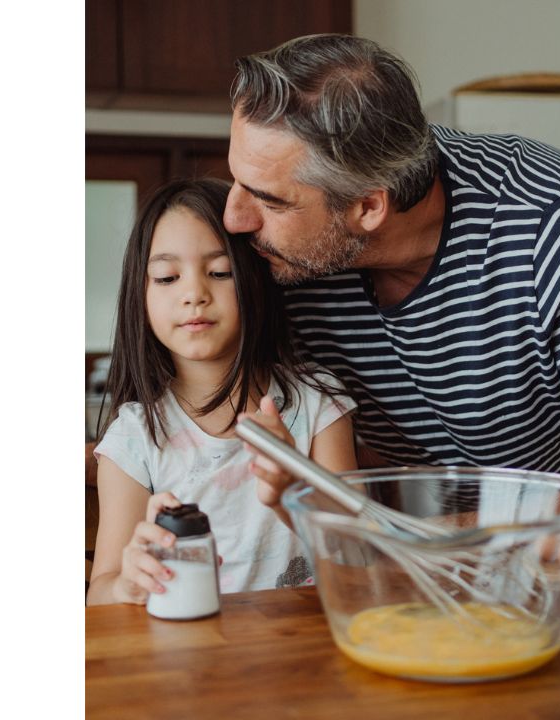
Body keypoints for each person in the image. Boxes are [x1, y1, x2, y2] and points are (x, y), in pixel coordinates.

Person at [223, 34, 560, 476]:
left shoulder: (556, 233)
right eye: (235, 179)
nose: (233, 219)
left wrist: (435, 537)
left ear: (368, 207)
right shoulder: (283, 252)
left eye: (270, 201)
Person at [86, 178, 357, 607]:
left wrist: (292, 495)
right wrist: (128, 584)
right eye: (167, 277)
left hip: (307, 651)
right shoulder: (134, 438)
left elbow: (356, 556)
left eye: (219, 272)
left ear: (254, 280)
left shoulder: (318, 405)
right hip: (190, 658)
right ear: (140, 295)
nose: (194, 294)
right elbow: (101, 593)